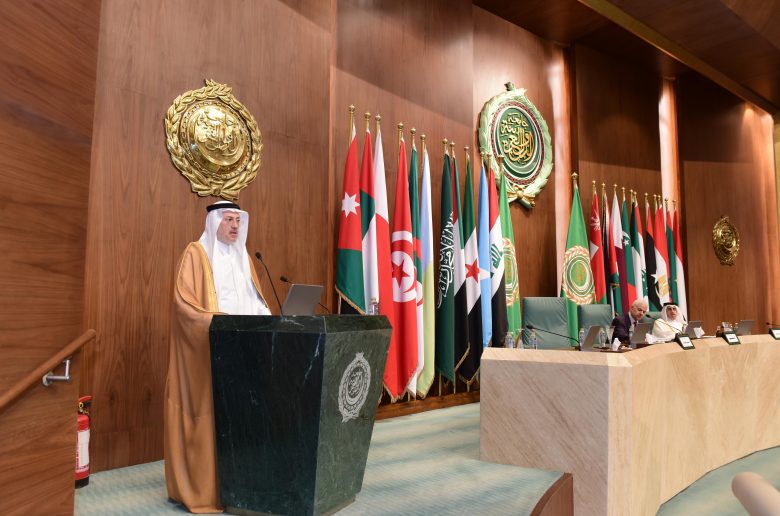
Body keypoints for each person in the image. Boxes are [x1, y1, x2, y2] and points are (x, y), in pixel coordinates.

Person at [164, 201, 271, 513]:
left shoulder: (244, 258)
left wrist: (267, 318)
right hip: (209, 352)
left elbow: (255, 301)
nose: (235, 226)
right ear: (214, 222)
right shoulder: (196, 254)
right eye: (228, 220)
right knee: (211, 418)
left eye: (238, 220)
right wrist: (220, 323)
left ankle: (242, 487)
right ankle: (208, 490)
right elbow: (184, 305)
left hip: (243, 351)